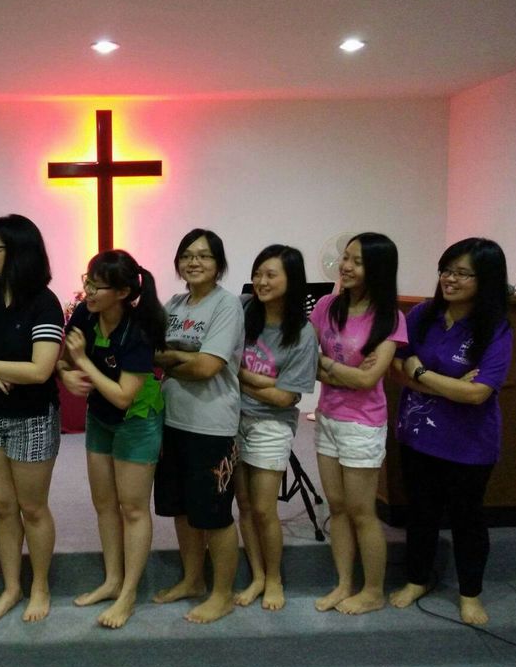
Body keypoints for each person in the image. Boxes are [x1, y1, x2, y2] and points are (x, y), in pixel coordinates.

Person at [389, 238, 512, 625]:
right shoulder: (422, 314)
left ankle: (470, 594)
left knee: (466, 519)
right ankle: (417, 579)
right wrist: (447, 385)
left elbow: (478, 394)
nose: (450, 279)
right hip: (417, 435)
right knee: (420, 512)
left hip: (468, 444)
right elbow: (397, 367)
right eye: (446, 270)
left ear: (486, 279)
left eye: (462, 273)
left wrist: (422, 373)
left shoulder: (494, 328)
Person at [58, 250, 166, 629]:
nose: (88, 291)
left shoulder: (139, 330)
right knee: (104, 504)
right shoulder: (84, 314)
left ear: (122, 293)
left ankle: (129, 593)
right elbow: (64, 360)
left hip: (136, 420)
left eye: (97, 286)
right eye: (87, 281)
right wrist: (66, 374)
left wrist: (84, 363)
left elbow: (123, 396)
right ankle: (112, 580)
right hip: (100, 418)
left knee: (133, 508)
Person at [0, 214, 63, 623]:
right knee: (3, 506)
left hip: (32, 417)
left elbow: (40, 370)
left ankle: (40, 586)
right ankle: (11, 587)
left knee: (33, 508)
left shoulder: (44, 302)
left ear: (18, 252)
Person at [310, 232, 407, 615]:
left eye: (358, 261)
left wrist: (328, 367)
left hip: (362, 424)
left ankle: (373, 591)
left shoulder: (390, 318)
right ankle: (343, 584)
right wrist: (338, 370)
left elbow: (369, 380)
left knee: (362, 511)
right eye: (346, 257)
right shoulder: (326, 306)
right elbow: (305, 359)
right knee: (336, 507)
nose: (345, 266)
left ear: (378, 269)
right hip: (328, 417)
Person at [152, 229, 245, 624]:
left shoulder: (227, 305)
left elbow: (208, 367)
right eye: (187, 255)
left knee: (214, 513)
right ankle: (192, 580)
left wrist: (173, 358)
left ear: (218, 264)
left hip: (212, 425)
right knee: (182, 509)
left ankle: (222, 594)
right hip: (171, 419)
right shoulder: (173, 304)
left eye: (204, 256)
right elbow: (152, 352)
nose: (194, 262)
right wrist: (182, 356)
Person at [233, 246, 318, 611]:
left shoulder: (301, 332)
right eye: (258, 273)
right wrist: (268, 384)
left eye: (271, 275)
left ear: (291, 280)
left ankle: (275, 579)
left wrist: (241, 376)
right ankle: (257, 576)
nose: (261, 282)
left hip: (271, 425)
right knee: (244, 505)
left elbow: (285, 398)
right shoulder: (242, 309)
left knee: (264, 508)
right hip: (232, 419)